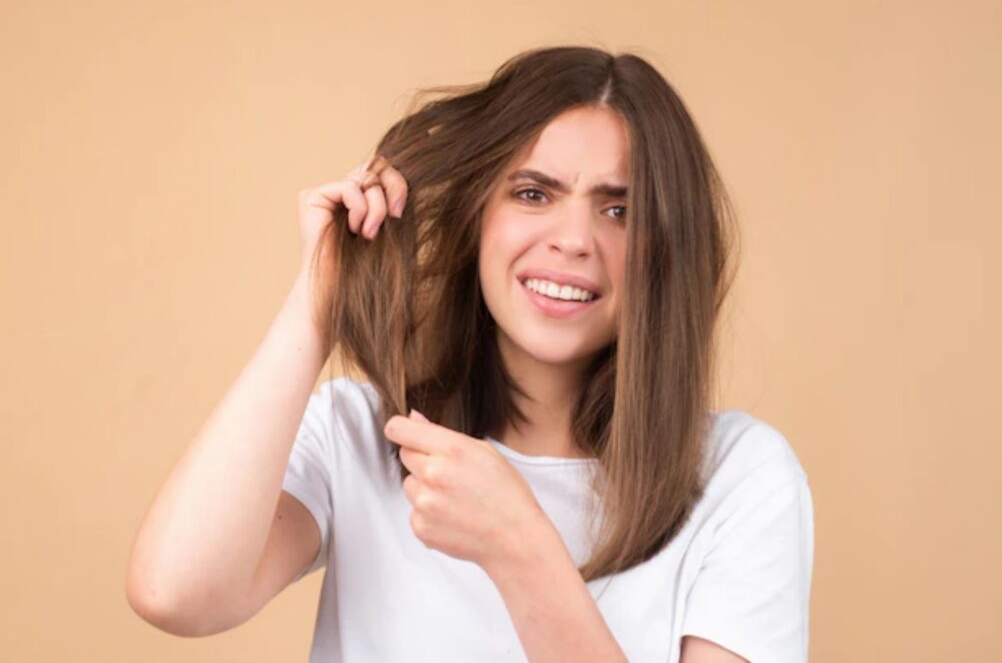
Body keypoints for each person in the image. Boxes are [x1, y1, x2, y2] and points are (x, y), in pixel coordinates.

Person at [125, 45, 814, 662]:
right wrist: (317, 300)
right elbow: (174, 593)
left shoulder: (739, 478)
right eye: (533, 193)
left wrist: (520, 548)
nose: (573, 239)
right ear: (478, 217)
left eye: (619, 210)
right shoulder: (363, 434)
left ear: (671, 246)